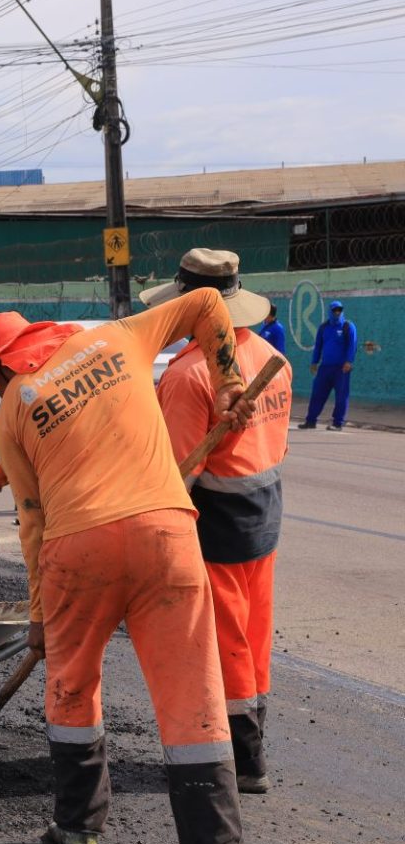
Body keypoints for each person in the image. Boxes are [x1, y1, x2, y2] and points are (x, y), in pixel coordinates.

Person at [0, 283, 257, 844]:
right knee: (192, 696)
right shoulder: (117, 336)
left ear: (1, 366)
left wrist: (40, 617)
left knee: (72, 684)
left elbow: (34, 521)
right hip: (166, 536)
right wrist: (228, 382)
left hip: (78, 553)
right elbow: (208, 301)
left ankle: (76, 827)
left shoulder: (15, 408)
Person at [150, 249, 292, 796]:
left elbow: (180, 472)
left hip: (218, 526)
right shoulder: (269, 356)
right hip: (265, 514)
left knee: (227, 643)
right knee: (254, 639)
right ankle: (254, 748)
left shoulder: (189, 375)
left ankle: (243, 761)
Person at [300, 301, 358, 430]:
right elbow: (318, 345)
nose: (337, 312)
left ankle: (338, 423)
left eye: (339, 310)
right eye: (335, 310)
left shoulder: (348, 326)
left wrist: (349, 361)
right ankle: (311, 421)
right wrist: (314, 362)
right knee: (317, 394)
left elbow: (352, 345)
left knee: (341, 396)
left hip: (341, 369)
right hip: (325, 368)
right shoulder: (323, 328)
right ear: (330, 311)